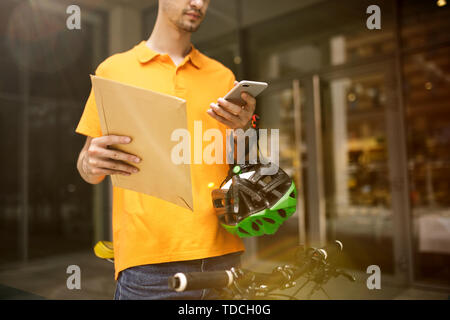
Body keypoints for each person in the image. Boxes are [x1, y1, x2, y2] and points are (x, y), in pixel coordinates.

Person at [75, 0, 257, 300]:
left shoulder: (222, 76)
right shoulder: (113, 70)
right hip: (147, 267)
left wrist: (244, 131)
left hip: (223, 257)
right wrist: (90, 163)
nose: (198, 3)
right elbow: (87, 166)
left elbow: (240, 163)